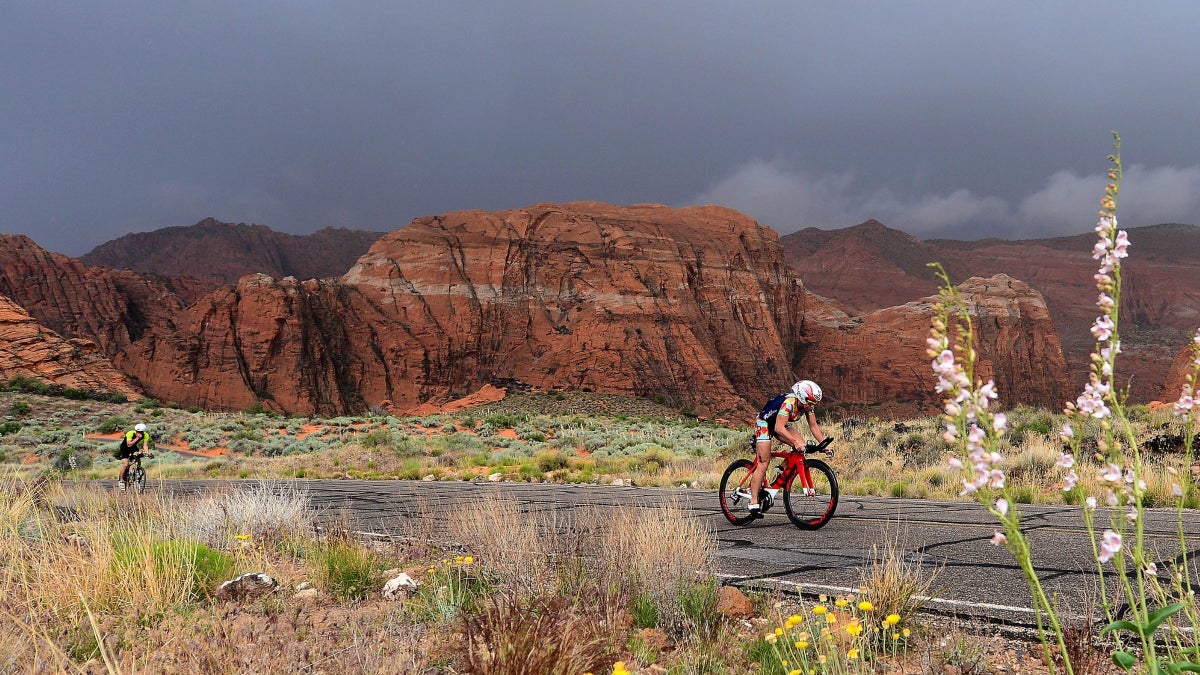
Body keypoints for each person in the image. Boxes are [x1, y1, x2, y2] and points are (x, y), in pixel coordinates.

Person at [747, 380, 828, 517]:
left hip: (780, 423)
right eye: (810, 402)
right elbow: (778, 428)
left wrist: (824, 444)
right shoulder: (789, 403)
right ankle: (753, 502)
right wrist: (794, 441)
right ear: (801, 397)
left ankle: (781, 470)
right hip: (765, 423)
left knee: (801, 446)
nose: (812, 406)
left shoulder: (807, 406)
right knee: (763, 462)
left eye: (814, 403)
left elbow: (813, 426)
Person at [117, 422, 152, 491]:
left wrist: (148, 453)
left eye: (141, 432)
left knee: (138, 457)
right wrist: (137, 438)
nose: (139, 433)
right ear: (136, 431)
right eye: (138, 432)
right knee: (126, 464)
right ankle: (121, 481)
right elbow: (129, 445)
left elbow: (145, 445)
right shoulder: (130, 433)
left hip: (133, 448)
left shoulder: (146, 435)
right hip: (125, 448)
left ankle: (136, 473)